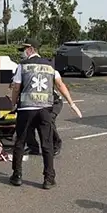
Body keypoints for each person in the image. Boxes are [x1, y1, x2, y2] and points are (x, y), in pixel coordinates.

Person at [9, 39, 81, 189]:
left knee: (20, 143)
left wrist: (12, 104)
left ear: (30, 49)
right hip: (44, 110)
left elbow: (16, 88)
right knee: (47, 145)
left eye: (24, 49)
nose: (22, 53)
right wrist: (71, 103)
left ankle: (17, 176)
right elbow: (60, 85)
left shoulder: (22, 66)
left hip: (26, 109)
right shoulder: (50, 66)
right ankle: (49, 179)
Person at [25, 90, 63, 156]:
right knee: (28, 122)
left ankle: (56, 145)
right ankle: (33, 147)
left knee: (48, 121)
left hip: (54, 103)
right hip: (38, 103)